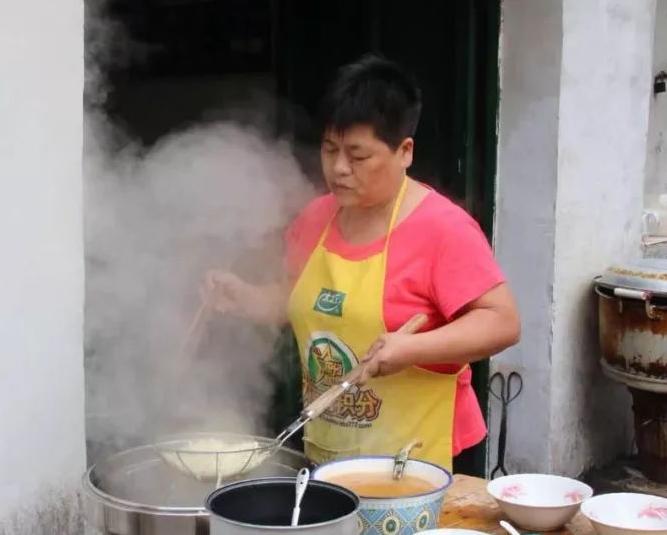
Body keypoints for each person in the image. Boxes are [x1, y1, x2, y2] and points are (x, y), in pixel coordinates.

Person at [205, 54, 520, 471]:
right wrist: (245, 297)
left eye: (357, 156)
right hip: (331, 454)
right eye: (330, 149)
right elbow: (298, 300)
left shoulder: (443, 229)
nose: (338, 169)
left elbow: (502, 322)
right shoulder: (315, 218)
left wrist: (413, 348)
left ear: (404, 151)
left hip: (422, 461)